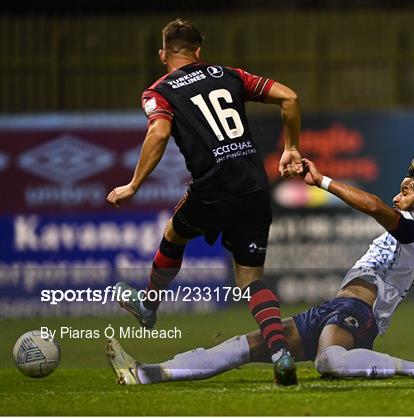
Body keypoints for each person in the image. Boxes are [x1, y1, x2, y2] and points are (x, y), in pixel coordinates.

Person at [106, 158, 414, 384]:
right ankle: (144, 373)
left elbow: (375, 206)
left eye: (405, 191)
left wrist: (322, 180)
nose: (398, 196)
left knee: (329, 362)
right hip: (334, 309)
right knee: (247, 345)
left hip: (360, 314)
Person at [105, 18, 303, 385]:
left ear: (163, 55)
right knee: (250, 280)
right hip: (254, 186)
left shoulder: (158, 92)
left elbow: (159, 130)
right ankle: (280, 353)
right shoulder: (229, 74)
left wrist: (133, 184)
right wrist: (291, 148)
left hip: (213, 187)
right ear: (199, 52)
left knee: (174, 233)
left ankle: (149, 307)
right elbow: (289, 97)